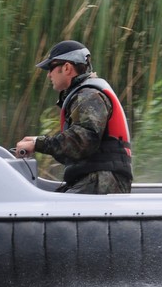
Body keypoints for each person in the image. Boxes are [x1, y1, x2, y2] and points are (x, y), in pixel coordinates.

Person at [15, 40, 133, 194]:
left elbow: (82, 141)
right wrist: (38, 142)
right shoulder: (84, 94)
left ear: (67, 67)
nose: (49, 74)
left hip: (102, 181)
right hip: (98, 179)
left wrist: (38, 143)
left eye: (51, 68)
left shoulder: (89, 95)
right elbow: (74, 150)